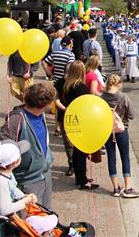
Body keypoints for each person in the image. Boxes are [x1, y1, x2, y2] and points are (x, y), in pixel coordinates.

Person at [0, 83, 56, 208]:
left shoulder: (41, 114)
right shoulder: (16, 120)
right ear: (45, 104)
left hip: (45, 176)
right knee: (29, 221)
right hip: (27, 181)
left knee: (46, 215)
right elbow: (0, 150)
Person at [0, 140, 59, 236]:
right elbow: (4, 209)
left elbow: (12, 188)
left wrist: (23, 196)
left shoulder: (5, 173)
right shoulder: (1, 182)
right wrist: (25, 202)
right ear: (16, 162)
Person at [58, 61, 97, 190]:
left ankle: (80, 177)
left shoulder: (65, 84)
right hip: (79, 121)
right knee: (81, 151)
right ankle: (82, 180)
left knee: (75, 150)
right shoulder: (81, 87)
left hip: (67, 119)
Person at [101, 75, 139, 198]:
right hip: (122, 130)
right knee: (125, 157)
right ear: (118, 84)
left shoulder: (101, 98)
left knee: (111, 158)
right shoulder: (123, 97)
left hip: (107, 131)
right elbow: (131, 115)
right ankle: (128, 188)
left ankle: (116, 188)